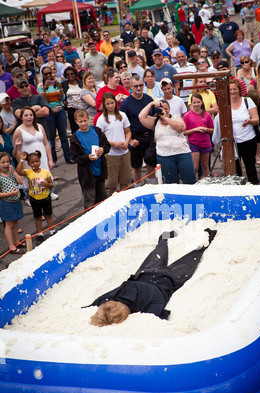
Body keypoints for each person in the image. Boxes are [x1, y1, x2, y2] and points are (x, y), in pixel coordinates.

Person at [87, 228, 217, 326]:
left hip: (167, 279)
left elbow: (161, 314)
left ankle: (202, 242)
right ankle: (166, 240)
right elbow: (101, 300)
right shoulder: (122, 291)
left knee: (189, 260)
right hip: (149, 273)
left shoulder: (147, 310)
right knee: (165, 254)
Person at [139, 99, 196, 184]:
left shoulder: (175, 117)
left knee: (190, 181)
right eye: (162, 108)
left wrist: (166, 118)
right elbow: (141, 117)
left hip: (182, 153)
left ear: (169, 109)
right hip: (165, 156)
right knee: (171, 184)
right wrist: (151, 104)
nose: (164, 110)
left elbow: (181, 128)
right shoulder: (155, 122)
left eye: (166, 108)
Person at [213, 79, 259, 184]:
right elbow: (220, 122)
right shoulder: (224, 104)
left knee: (250, 168)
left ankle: (255, 190)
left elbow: (256, 120)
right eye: (230, 89)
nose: (233, 91)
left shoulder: (247, 101)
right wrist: (219, 142)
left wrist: (249, 121)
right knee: (236, 171)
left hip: (248, 140)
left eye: (235, 89)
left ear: (239, 90)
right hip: (231, 144)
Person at [119, 75, 156, 186]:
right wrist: (129, 140)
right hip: (135, 137)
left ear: (143, 85)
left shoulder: (148, 99)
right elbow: (122, 124)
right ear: (131, 86)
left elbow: (154, 116)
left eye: (140, 85)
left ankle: (152, 187)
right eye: (136, 86)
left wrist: (156, 135)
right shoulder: (125, 104)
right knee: (136, 166)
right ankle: (138, 188)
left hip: (149, 135)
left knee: (151, 163)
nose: (139, 88)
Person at [70, 109, 110, 209]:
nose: (83, 123)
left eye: (85, 120)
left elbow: (107, 145)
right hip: (87, 175)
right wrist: (87, 158)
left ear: (89, 119)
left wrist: (102, 149)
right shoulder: (75, 138)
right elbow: (75, 157)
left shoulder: (97, 131)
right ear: (76, 122)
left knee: (103, 200)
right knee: (90, 202)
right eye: (80, 121)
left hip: (100, 171)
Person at [16, 150, 55, 246]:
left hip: (45, 197)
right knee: (37, 217)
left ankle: (52, 231)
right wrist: (22, 160)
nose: (35, 163)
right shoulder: (28, 172)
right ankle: (39, 234)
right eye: (32, 162)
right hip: (34, 198)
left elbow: (51, 184)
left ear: (40, 161)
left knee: (48, 215)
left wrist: (46, 184)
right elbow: (18, 171)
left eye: (37, 161)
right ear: (28, 163)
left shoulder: (45, 172)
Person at [96, 92, 131, 195]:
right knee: (112, 183)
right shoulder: (101, 119)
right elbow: (99, 138)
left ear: (115, 103)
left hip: (124, 153)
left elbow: (128, 132)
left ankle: (123, 201)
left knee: (125, 180)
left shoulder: (122, 115)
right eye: (108, 104)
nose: (110, 106)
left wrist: (127, 142)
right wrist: (113, 143)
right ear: (104, 105)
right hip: (111, 155)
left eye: (112, 103)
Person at [38, 66, 73, 166]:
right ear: (42, 75)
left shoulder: (57, 82)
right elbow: (43, 101)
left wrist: (60, 87)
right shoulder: (40, 85)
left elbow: (62, 98)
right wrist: (44, 89)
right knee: (52, 136)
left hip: (60, 110)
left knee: (64, 135)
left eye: (50, 73)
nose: (49, 75)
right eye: (46, 74)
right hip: (49, 112)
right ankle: (53, 159)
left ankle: (68, 157)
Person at [183, 93, 214, 177]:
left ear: (201, 102)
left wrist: (206, 129)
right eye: (194, 102)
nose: (196, 104)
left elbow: (212, 130)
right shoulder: (187, 115)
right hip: (194, 143)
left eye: (198, 102)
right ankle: (193, 182)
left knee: (205, 165)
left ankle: (205, 182)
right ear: (191, 103)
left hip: (205, 142)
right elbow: (184, 132)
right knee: (195, 166)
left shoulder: (206, 114)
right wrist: (195, 130)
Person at [0, 151, 24, 254]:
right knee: (9, 225)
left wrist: (14, 172)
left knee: (15, 223)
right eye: (2, 162)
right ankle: (11, 246)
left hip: (16, 201)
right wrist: (10, 194)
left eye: (7, 162)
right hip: (6, 203)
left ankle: (17, 241)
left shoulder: (11, 173)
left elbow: (20, 181)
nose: (6, 164)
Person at [62, 66, 83, 134]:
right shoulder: (64, 84)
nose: (70, 75)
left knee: (83, 127)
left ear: (75, 74)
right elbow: (62, 96)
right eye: (68, 74)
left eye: (72, 73)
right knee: (74, 130)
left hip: (82, 108)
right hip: (71, 109)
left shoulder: (81, 83)